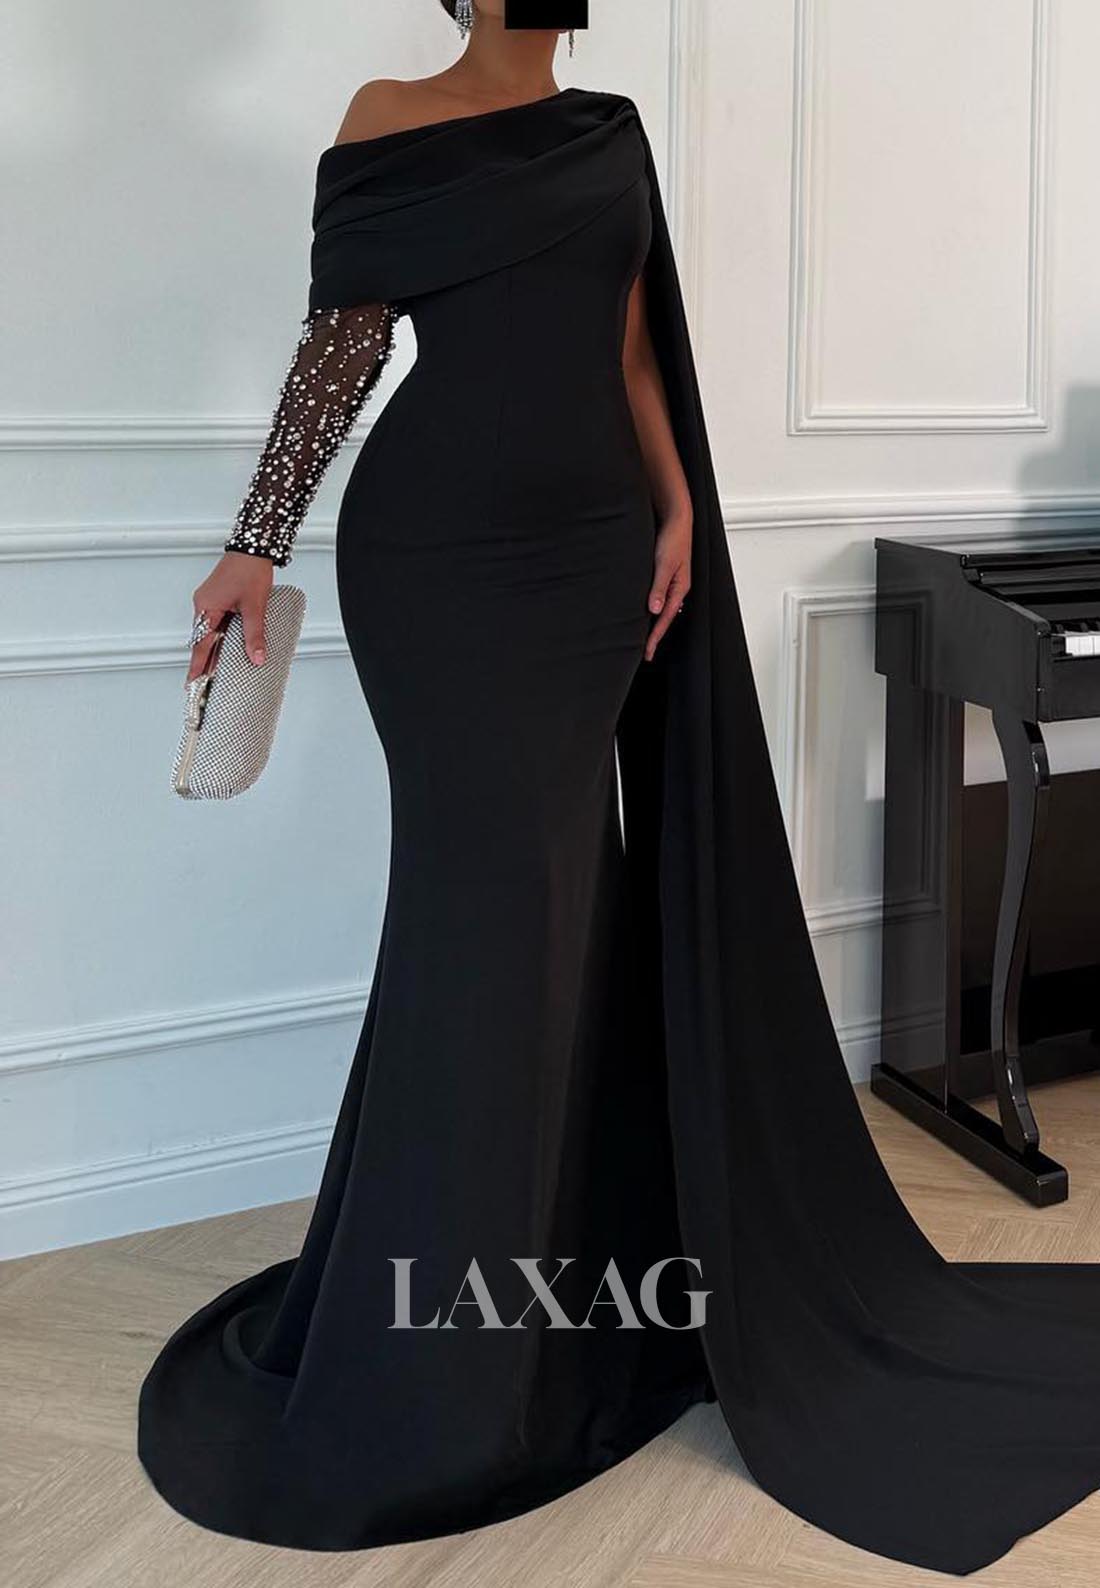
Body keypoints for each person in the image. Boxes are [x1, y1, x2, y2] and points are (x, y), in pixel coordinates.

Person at [138, 3, 1100, 1575]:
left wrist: (675, 509)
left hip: (595, 560)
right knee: (482, 925)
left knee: (562, 915)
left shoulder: (610, 135)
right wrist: (257, 541)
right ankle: (442, 1365)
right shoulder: (387, 109)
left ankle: (552, 1302)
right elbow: (343, 349)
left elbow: (634, 346)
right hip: (437, 555)